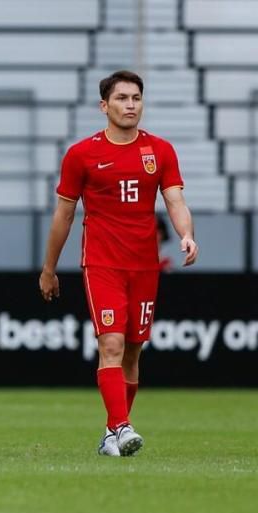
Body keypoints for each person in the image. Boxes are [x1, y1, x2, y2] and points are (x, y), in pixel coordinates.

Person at [40, 70, 198, 457]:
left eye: (136, 98)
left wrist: (186, 234)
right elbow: (63, 215)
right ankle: (121, 426)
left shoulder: (159, 151)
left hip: (144, 265)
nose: (130, 105)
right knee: (109, 343)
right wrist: (49, 268)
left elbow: (175, 200)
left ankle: (112, 435)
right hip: (102, 263)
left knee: (132, 351)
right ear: (104, 106)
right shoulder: (82, 154)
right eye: (122, 98)